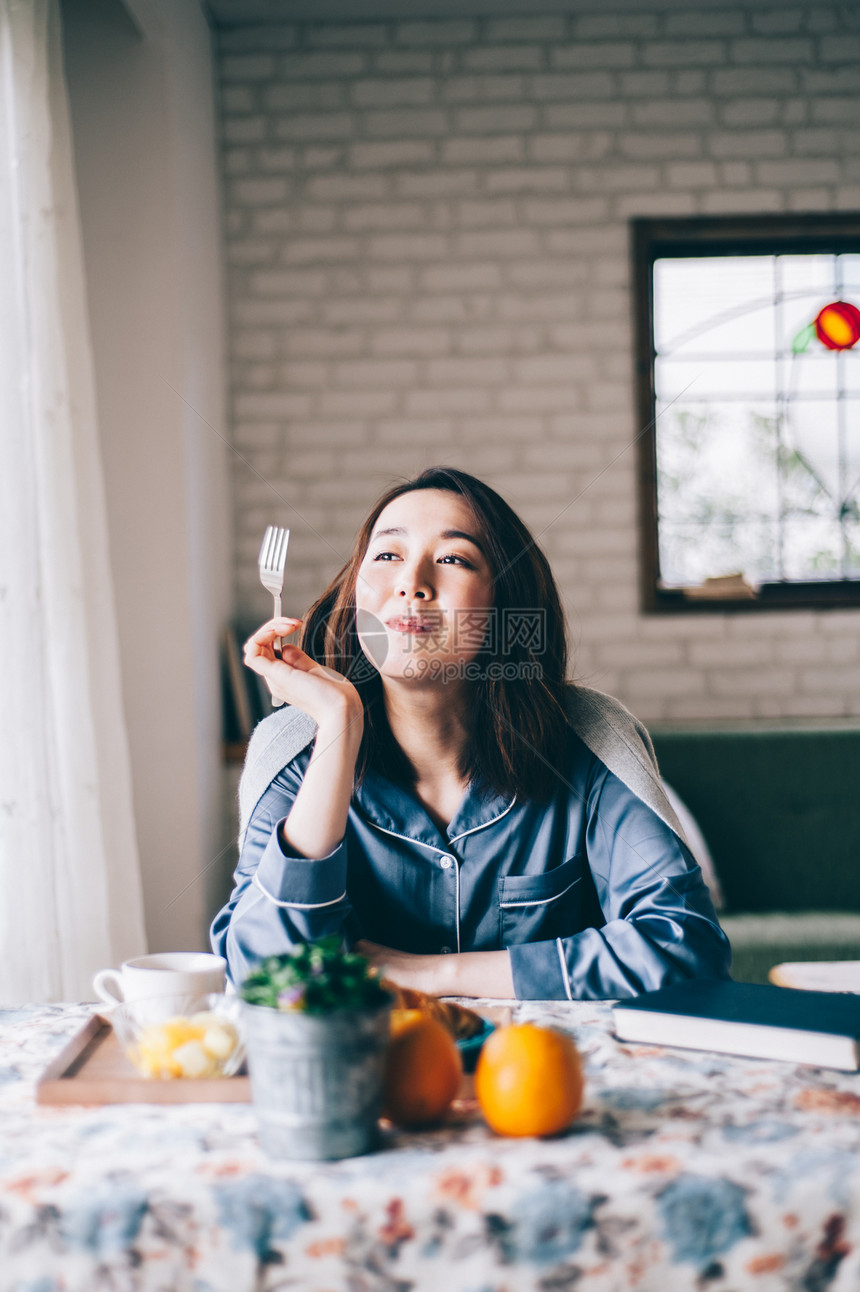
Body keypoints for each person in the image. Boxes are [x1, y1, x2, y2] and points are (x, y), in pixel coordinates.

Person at [211, 467, 730, 999]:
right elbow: (261, 979)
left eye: (454, 559)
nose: (411, 581)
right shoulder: (292, 747)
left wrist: (431, 974)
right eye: (387, 555)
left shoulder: (592, 739)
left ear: (506, 604)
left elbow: (686, 949)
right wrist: (339, 727)